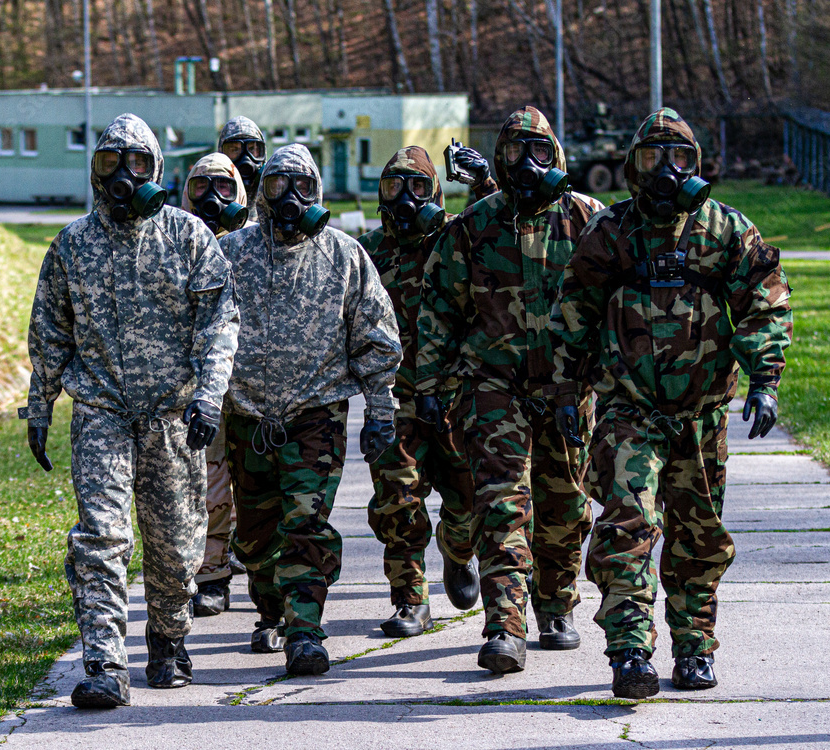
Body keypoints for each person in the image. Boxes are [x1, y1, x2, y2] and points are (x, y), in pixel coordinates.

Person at [549, 107, 793, 699]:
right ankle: (630, 652)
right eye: (654, 158)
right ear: (634, 167)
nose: (667, 170)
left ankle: (695, 650)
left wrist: (765, 380)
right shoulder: (611, 232)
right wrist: (565, 390)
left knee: (698, 536)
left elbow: (766, 305)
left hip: (702, 416)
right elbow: (573, 314)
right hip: (628, 413)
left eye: (679, 158)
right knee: (627, 528)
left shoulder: (727, 231)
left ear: (697, 163)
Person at [19, 113, 239, 708]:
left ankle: (167, 640)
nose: (124, 176)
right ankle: (104, 662)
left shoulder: (188, 239)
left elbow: (219, 324)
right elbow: (49, 334)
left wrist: (208, 396)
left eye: (137, 163)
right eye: (111, 164)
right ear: (95, 172)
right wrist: (39, 406)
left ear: (156, 168)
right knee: (103, 536)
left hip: (171, 416)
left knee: (173, 544)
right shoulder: (71, 246)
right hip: (101, 414)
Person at [414, 106, 604, 674]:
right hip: (493, 387)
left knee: (565, 506)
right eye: (515, 153)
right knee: (502, 506)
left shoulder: (591, 222)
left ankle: (556, 604)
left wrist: (612, 381)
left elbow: (619, 305)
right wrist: (428, 383)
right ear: (499, 159)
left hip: (570, 391)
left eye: (539, 152)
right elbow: (439, 310)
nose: (527, 164)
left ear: (557, 156)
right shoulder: (473, 227)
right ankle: (505, 625)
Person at [219, 143, 401, 676]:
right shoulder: (231, 252)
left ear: (317, 191)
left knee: (307, 522)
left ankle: (305, 631)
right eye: (277, 186)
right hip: (247, 415)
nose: (290, 198)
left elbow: (377, 336)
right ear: (261, 193)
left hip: (316, 412)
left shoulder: (344, 253)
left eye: (301, 186)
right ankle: (271, 610)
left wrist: (381, 408)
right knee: (255, 535)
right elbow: (201, 329)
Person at [358, 145, 496, 637]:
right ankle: (410, 601)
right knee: (397, 502)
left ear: (435, 190)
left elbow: (502, 227)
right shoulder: (369, 251)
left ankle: (459, 553)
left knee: (468, 501)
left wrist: (483, 182)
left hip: (459, 397)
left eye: (419, 187)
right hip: (397, 400)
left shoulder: (458, 236)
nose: (407, 198)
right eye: (395, 187)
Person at [179, 153, 250, 617]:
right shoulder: (176, 243)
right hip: (199, 385)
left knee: (256, 484)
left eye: (223, 188)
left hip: (250, 385)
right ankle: (213, 575)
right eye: (201, 187)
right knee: (211, 481)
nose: (211, 198)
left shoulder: (251, 244)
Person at [218, 116, 267, 223]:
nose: (245, 158)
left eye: (252, 149)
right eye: (234, 150)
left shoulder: (273, 194)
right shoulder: (215, 195)